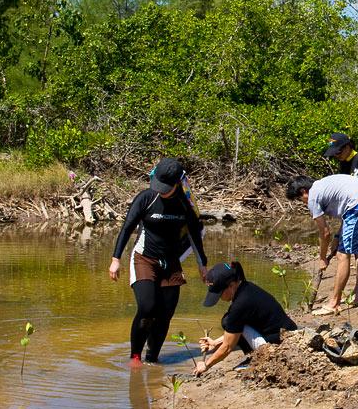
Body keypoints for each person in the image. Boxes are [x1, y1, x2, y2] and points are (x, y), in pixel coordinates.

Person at [109, 158, 208, 365]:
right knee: (147, 308)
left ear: (176, 184)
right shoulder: (146, 198)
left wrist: (202, 265)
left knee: (165, 314)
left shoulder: (184, 204)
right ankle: (135, 357)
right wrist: (115, 259)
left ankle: (152, 358)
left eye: (166, 187)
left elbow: (194, 235)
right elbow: (127, 227)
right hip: (144, 258)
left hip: (171, 262)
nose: (161, 190)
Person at [286, 174, 358, 313]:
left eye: (299, 199)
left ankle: (334, 303)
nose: (302, 202)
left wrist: (322, 258)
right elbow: (347, 210)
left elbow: (325, 233)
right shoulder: (322, 185)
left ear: (303, 191)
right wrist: (338, 237)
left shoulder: (313, 197)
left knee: (342, 255)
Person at [195, 261, 297, 375]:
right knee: (230, 321)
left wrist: (206, 364)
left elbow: (228, 346)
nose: (219, 298)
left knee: (227, 321)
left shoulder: (240, 305)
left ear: (232, 285)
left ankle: (257, 358)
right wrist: (214, 343)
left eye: (220, 293)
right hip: (287, 334)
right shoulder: (246, 288)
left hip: (277, 346)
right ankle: (254, 356)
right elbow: (236, 330)